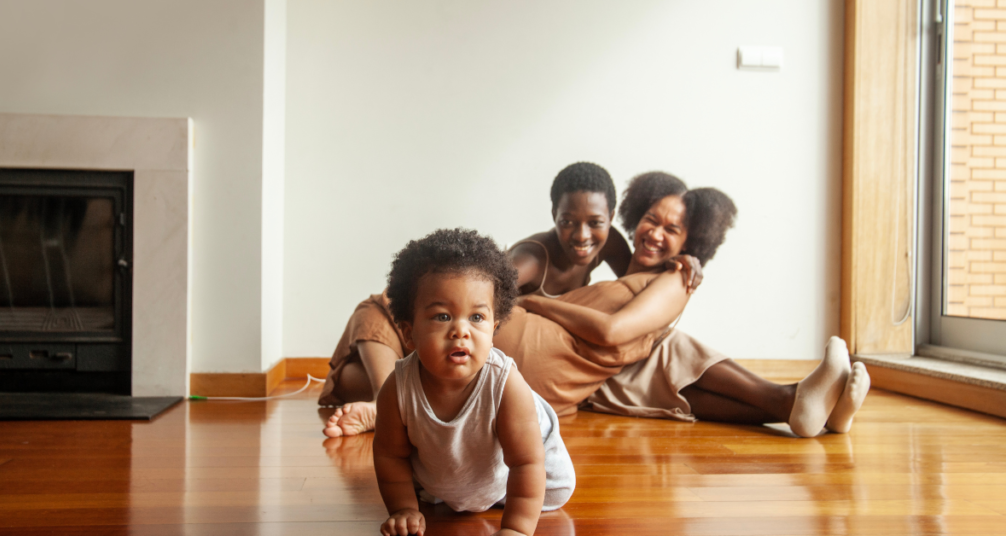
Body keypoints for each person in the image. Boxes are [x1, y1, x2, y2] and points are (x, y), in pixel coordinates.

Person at [319, 162, 698, 437]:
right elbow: (478, 293)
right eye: (568, 221)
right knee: (374, 309)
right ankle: (390, 409)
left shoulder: (609, 243)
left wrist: (680, 260)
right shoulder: (531, 259)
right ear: (554, 216)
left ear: (610, 218)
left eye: (595, 222)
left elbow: (631, 283)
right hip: (458, 333)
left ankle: (383, 401)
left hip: (482, 357)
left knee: (362, 371)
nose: (582, 234)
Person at [495, 172, 870, 437]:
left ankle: (797, 402)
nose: (655, 234)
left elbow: (614, 327)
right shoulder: (596, 253)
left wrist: (537, 304)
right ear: (634, 218)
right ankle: (793, 403)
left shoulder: (666, 274)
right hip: (593, 373)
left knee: (665, 347)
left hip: (600, 360)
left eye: (671, 230)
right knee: (664, 347)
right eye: (650, 220)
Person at [372, 228, 575, 536]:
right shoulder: (398, 389)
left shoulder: (506, 384)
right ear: (408, 333)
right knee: (424, 483)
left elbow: (526, 463)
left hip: (524, 456)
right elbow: (390, 455)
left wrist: (517, 529)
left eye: (476, 318)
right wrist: (404, 508)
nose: (460, 331)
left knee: (554, 488)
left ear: (494, 328)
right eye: (442, 316)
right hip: (451, 465)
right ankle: (463, 490)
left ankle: (494, 493)